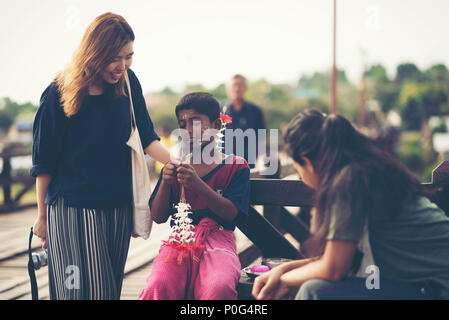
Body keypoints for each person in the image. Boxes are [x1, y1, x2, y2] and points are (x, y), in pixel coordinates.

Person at [30, 12, 171, 300]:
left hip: (118, 208)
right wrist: (43, 217)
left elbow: (147, 138)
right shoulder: (58, 93)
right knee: (82, 292)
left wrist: (180, 165)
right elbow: (43, 163)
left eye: (128, 57)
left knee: (108, 292)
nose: (122, 66)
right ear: (94, 53)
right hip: (73, 209)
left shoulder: (129, 84)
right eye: (114, 57)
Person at [252, 109, 449, 300]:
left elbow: (334, 268)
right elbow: (339, 258)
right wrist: (284, 271)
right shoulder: (363, 170)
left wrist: (284, 281)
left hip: (436, 289)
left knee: (314, 291)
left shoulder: (347, 181)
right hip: (425, 286)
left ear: (307, 163)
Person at [139, 92, 250, 300]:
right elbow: (158, 216)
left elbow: (231, 213)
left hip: (219, 239)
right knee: (159, 283)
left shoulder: (235, 166)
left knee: (218, 286)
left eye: (196, 122)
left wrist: (199, 186)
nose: (189, 130)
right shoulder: (176, 167)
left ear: (217, 126)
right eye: (182, 123)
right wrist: (165, 181)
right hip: (179, 241)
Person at [221, 74, 266, 168]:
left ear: (245, 88)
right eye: (234, 85)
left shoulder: (255, 111)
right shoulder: (219, 110)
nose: (237, 89)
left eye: (240, 85)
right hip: (223, 166)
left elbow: (261, 139)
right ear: (228, 89)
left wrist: (261, 161)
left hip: (249, 165)